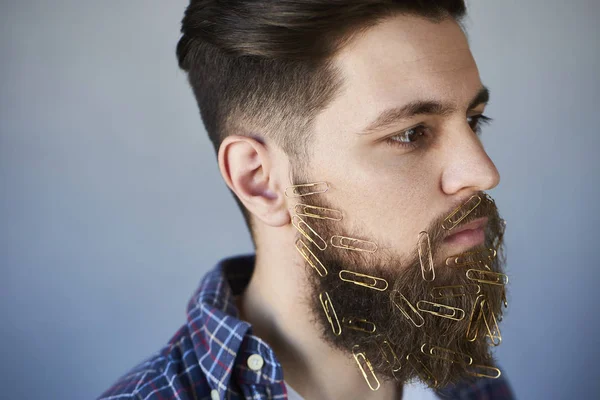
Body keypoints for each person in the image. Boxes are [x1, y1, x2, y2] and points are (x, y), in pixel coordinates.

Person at [98, 1, 515, 399]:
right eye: (410, 133)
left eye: (473, 120)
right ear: (259, 180)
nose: (483, 173)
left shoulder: (465, 380)